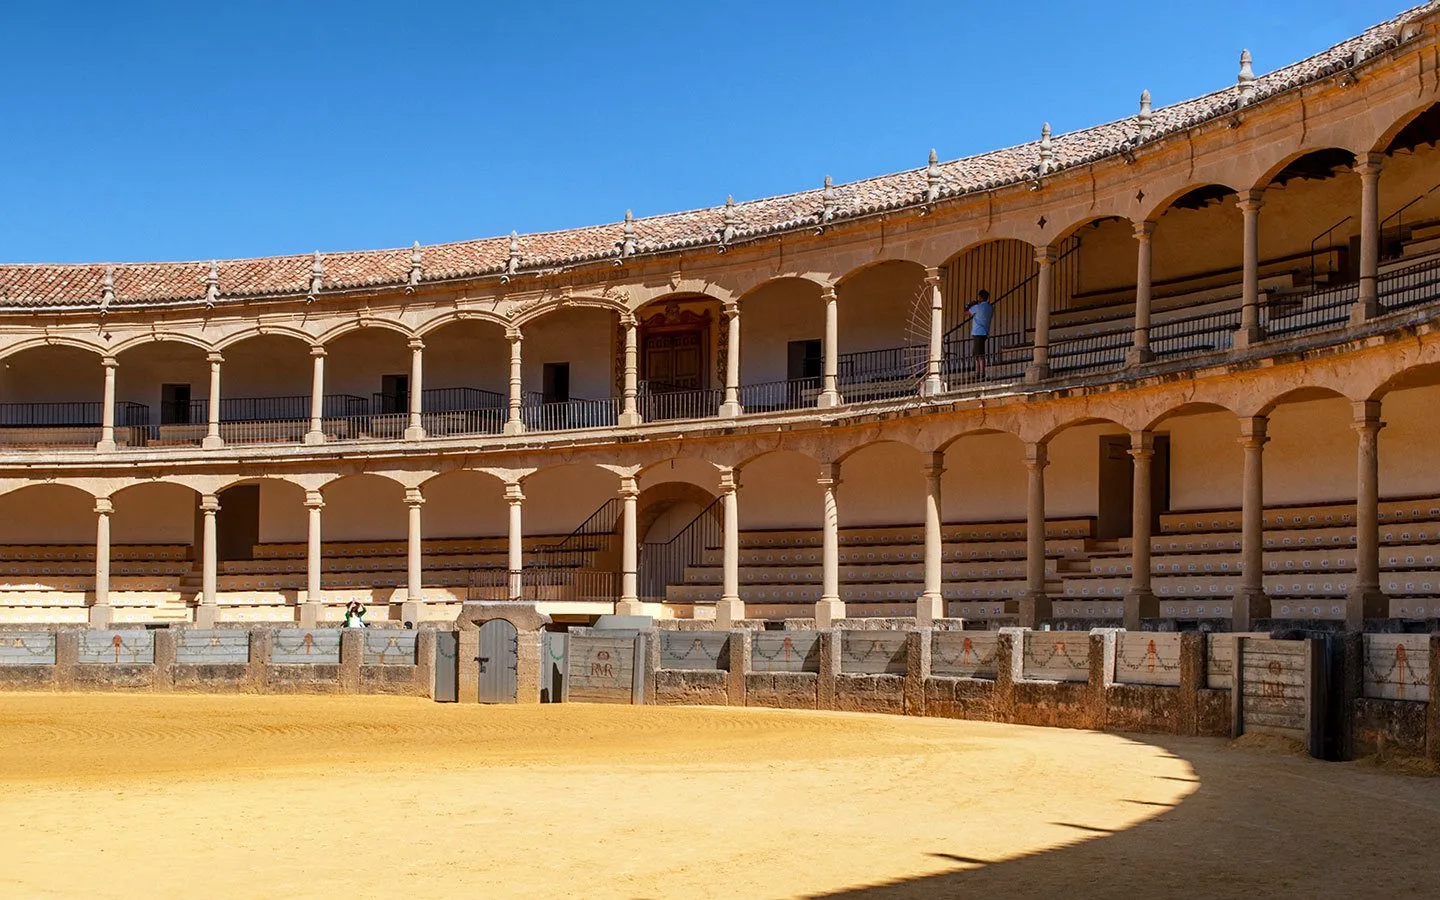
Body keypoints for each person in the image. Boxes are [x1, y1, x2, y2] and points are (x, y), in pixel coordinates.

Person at [966, 289, 994, 378]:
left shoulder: (978, 307)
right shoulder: (990, 307)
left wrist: (969, 305)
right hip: (985, 331)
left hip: (978, 331)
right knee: (977, 353)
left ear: (981, 297)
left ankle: (981, 373)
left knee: (979, 354)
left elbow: (966, 313)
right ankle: (978, 372)